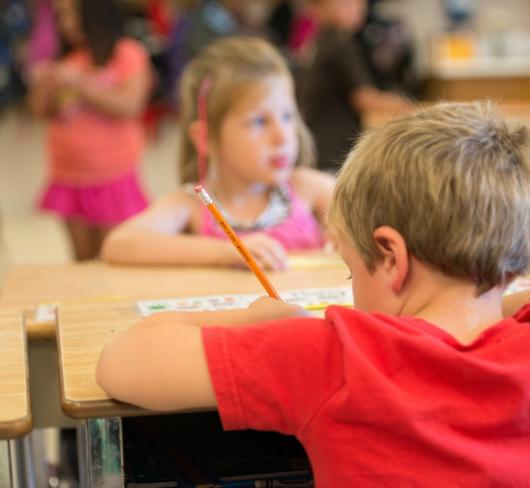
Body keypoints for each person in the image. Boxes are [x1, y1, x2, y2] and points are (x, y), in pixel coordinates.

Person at [97, 101, 530, 485]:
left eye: (350, 275)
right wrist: (486, 286)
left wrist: (263, 320)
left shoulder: (337, 355)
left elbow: (121, 360)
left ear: (392, 259)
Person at [102, 37, 334, 271]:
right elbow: (119, 244)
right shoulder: (191, 205)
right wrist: (229, 251)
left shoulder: (307, 189)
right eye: (259, 121)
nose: (282, 136)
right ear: (205, 138)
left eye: (287, 116)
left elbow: (368, 215)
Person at [28, 0, 152, 261]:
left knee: (113, 256)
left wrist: (80, 83)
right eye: (61, 15)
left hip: (112, 174)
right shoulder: (66, 59)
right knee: (81, 260)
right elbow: (41, 112)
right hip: (68, 174)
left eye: (71, 14)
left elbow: (129, 106)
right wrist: (44, 86)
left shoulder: (126, 53)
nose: (65, 23)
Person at [298, 0, 412, 172]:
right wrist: (411, 108)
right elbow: (364, 98)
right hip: (333, 150)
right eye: (347, 3)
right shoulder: (339, 43)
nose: (358, 8)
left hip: (317, 146)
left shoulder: (318, 42)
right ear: (318, 9)